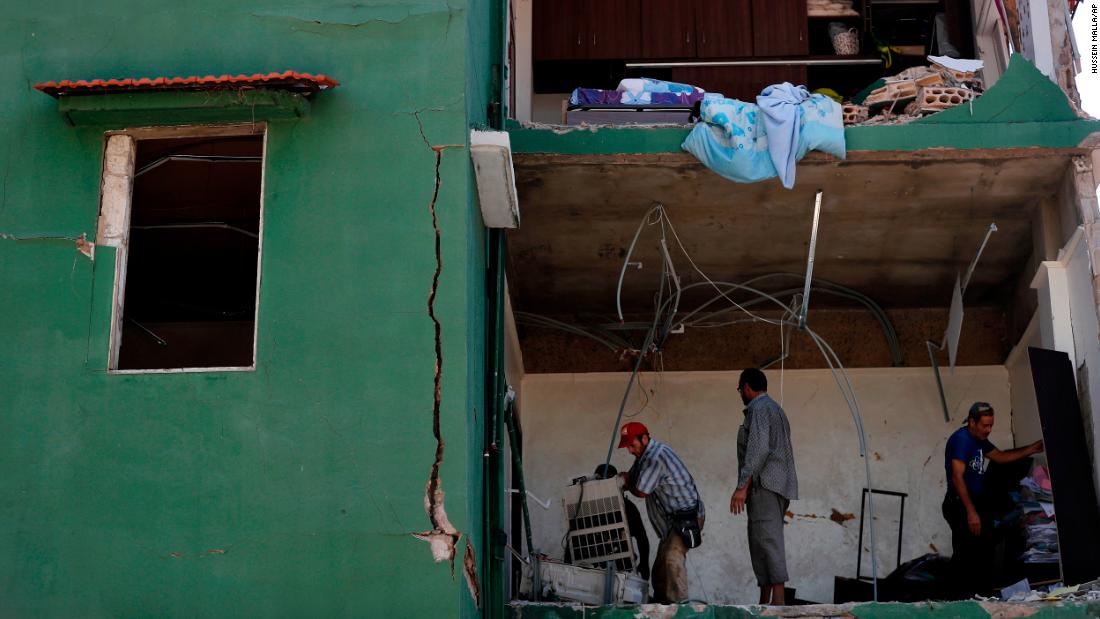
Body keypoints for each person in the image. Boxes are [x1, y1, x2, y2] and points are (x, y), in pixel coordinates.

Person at [942, 402, 1043, 596]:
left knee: (984, 550)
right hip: (960, 503)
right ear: (972, 422)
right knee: (967, 554)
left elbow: (1000, 457)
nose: (988, 430)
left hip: (974, 503)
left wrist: (1032, 449)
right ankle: (955, 600)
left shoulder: (979, 439)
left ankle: (981, 598)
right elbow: (957, 477)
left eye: (991, 425)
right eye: (985, 425)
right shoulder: (962, 440)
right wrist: (971, 512)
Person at [729, 368, 798, 606]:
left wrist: (742, 487)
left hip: (765, 487)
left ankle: (777, 608)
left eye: (740, 389)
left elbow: (757, 452)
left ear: (747, 387)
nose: (741, 393)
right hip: (776, 487)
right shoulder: (776, 410)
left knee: (768, 545)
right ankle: (764, 605)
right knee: (761, 543)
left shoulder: (759, 410)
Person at [618, 421, 704, 603]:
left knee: (672, 560)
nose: (630, 451)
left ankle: (680, 609)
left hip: (686, 518)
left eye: (632, 445)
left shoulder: (655, 457)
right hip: (672, 523)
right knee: (659, 570)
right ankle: (659, 607)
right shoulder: (643, 457)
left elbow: (641, 490)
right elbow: (632, 476)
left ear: (644, 438)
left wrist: (626, 483)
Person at [593, 464, 651, 581]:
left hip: (621, 565)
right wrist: (644, 564)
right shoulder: (589, 508)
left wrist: (644, 564)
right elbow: (642, 539)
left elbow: (642, 539)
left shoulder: (628, 508)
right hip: (596, 565)